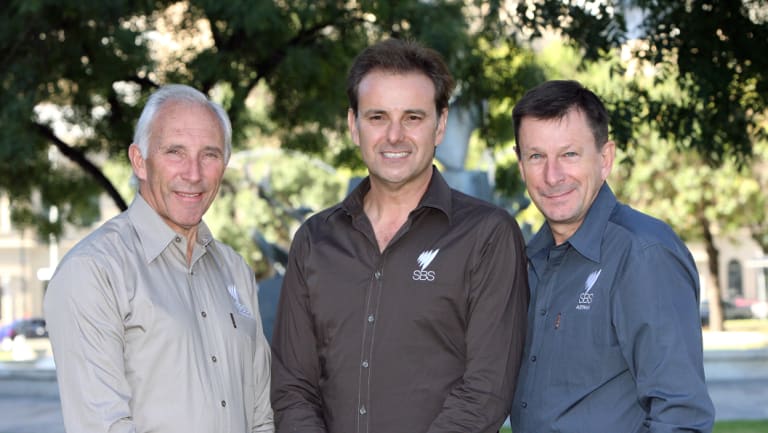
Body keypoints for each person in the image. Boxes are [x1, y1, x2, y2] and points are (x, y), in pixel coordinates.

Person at [270, 38, 529, 433]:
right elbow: (293, 388)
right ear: (353, 125)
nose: (394, 136)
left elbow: (485, 392)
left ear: (439, 125)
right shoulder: (314, 240)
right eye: (377, 117)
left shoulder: (487, 236)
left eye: (412, 117)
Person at [44, 84, 274, 433]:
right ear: (140, 161)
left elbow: (261, 416)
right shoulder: (93, 272)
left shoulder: (235, 271)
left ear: (223, 166)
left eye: (209, 155)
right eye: (175, 152)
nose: (193, 173)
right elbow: (103, 426)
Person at [509, 80, 715, 432]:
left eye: (569, 154)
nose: (552, 175)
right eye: (536, 156)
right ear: (520, 164)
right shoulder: (531, 258)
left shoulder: (643, 253)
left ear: (605, 159)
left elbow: (681, 417)